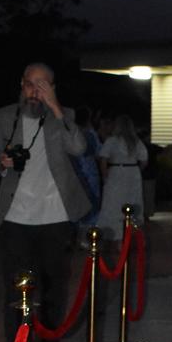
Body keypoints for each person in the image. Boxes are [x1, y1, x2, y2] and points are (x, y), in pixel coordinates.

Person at [0, 62, 90, 342]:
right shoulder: (4, 117)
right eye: (31, 84)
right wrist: (1, 162)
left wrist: (55, 107)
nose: (35, 91)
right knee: (15, 291)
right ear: (21, 85)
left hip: (55, 217)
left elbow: (79, 148)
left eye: (43, 85)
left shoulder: (63, 116)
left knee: (54, 289)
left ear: (53, 88)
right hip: (16, 218)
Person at [96, 114, 148, 242]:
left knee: (113, 203)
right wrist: (136, 170)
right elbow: (144, 160)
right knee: (132, 201)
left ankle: (115, 235)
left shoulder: (112, 140)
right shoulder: (136, 141)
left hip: (116, 172)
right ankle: (129, 234)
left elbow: (103, 159)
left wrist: (105, 175)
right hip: (132, 172)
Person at [71, 105, 102, 246]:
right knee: (92, 201)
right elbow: (99, 151)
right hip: (88, 170)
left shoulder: (71, 132)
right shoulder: (90, 133)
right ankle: (85, 238)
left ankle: (75, 236)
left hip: (73, 170)